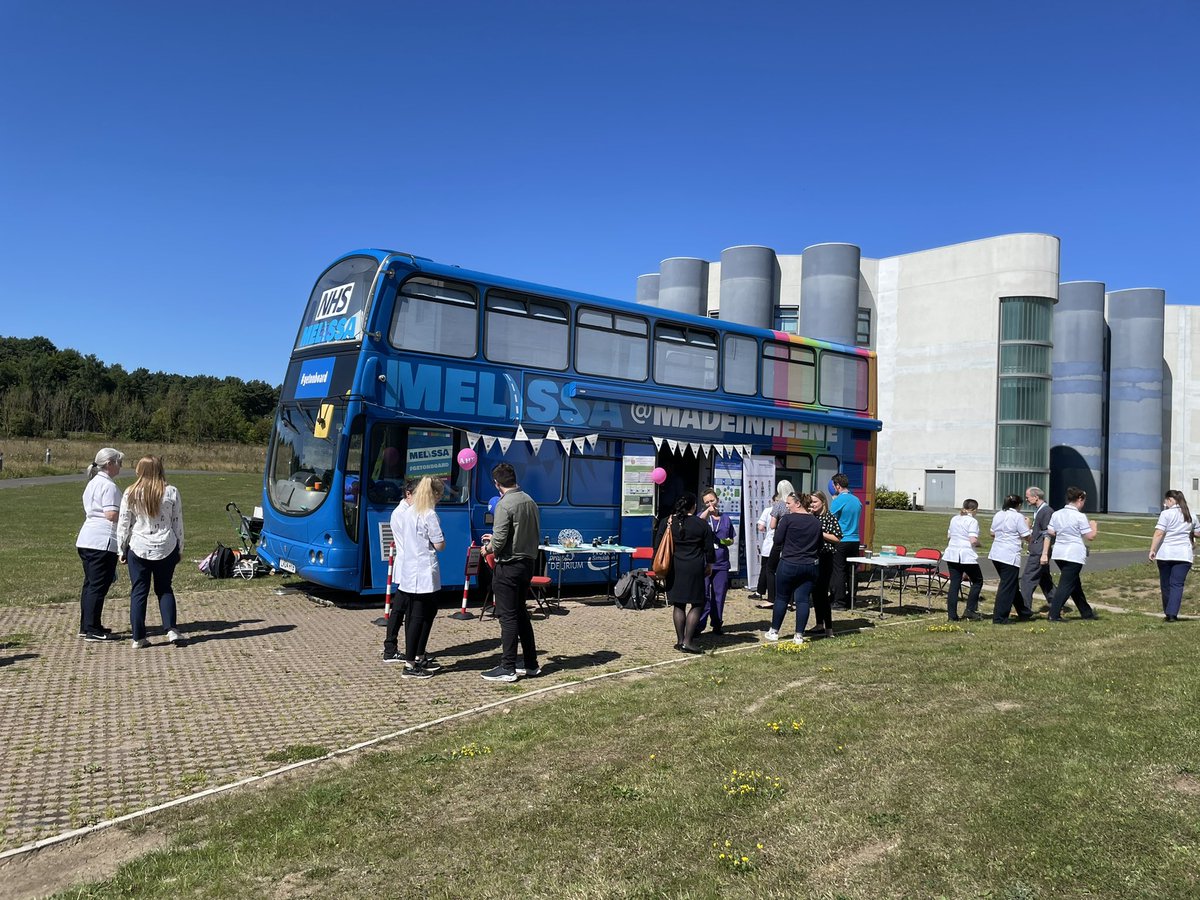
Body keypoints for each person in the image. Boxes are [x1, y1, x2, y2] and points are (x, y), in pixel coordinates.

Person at [480, 463, 541, 682]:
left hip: (509, 566)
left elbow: (498, 542)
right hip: (527, 564)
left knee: (507, 617)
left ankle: (507, 667)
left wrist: (486, 548)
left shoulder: (504, 505)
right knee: (521, 613)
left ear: (497, 484)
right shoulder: (530, 500)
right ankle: (531, 663)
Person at [116, 456, 185, 648]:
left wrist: (121, 548)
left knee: (139, 591)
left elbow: (124, 523)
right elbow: (177, 522)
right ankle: (171, 629)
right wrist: (180, 548)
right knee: (165, 588)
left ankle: (138, 637)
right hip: (166, 545)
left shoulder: (131, 492)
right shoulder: (171, 491)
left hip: (139, 546)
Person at [384, 476, 446, 676]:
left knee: (417, 615)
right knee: (420, 616)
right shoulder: (429, 514)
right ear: (433, 494)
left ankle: (417, 657)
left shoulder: (409, 512)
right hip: (424, 570)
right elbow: (439, 544)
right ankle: (411, 663)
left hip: (411, 569)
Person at [654, 492, 714, 654]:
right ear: (693, 507)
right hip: (694, 568)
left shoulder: (667, 521)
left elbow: (658, 544)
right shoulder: (701, 524)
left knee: (679, 604)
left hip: (674, 567)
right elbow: (709, 549)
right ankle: (688, 641)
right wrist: (709, 564)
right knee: (697, 603)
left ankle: (680, 641)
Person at [75, 447, 124, 641]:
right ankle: (92, 628)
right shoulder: (109, 486)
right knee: (98, 586)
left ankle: (87, 624)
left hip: (87, 538)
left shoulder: (93, 483)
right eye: (119, 463)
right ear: (109, 464)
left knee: (90, 584)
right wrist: (129, 515)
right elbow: (111, 514)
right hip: (101, 541)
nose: (120, 467)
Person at [767, 492, 822, 644]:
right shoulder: (816, 522)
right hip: (809, 565)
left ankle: (774, 631)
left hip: (789, 563)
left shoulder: (788, 519)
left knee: (781, 598)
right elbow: (820, 545)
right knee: (803, 600)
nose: (787, 506)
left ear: (798, 503)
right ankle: (799, 635)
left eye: (789, 503)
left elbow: (778, 540)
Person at [1043, 486, 1099, 622]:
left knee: (1074, 584)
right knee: (1066, 585)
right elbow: (1090, 536)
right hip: (1073, 554)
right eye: (1083, 501)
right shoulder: (1079, 516)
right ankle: (1054, 614)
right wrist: (1093, 525)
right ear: (1079, 499)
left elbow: (1051, 532)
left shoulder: (1057, 514)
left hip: (1059, 553)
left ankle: (1086, 612)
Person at [1149, 489, 1197, 622]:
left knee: (1166, 584)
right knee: (1177, 585)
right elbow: (1197, 532)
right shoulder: (1191, 515)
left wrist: (1152, 549)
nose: (1165, 504)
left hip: (1166, 553)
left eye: (1166, 501)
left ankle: (1168, 612)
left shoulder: (1166, 514)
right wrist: (1190, 534)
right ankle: (1172, 613)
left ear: (1171, 500)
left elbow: (1159, 533)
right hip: (1184, 555)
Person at [697, 488, 736, 635]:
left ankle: (717, 623)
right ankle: (699, 625)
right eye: (707, 502)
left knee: (719, 595)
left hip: (721, 562)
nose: (710, 504)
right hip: (705, 562)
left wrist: (728, 541)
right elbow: (698, 523)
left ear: (717, 500)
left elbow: (731, 538)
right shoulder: (703, 516)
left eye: (712, 501)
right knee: (704, 595)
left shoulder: (726, 518)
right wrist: (708, 512)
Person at [988, 494, 1032, 623]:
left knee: (1011, 583)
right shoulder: (1018, 517)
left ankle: (1023, 611)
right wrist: (1028, 526)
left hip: (996, 552)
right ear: (1019, 505)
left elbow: (992, 532)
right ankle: (1000, 617)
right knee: (1007, 586)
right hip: (1009, 554)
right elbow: (1026, 536)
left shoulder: (998, 514)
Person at [807, 491, 842, 638]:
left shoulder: (829, 517)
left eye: (815, 502)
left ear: (822, 501)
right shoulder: (811, 517)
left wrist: (820, 533)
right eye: (810, 502)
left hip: (825, 557)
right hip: (812, 557)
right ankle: (819, 623)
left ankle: (829, 627)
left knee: (822, 592)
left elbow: (837, 537)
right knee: (815, 592)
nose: (812, 505)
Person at [943, 500, 983, 621]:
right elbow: (973, 540)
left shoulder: (954, 519)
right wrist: (979, 544)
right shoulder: (972, 521)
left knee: (954, 583)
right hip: (966, 554)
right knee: (977, 581)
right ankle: (970, 610)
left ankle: (952, 615)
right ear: (974, 509)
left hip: (952, 553)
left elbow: (949, 536)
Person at [1020, 486, 1057, 613]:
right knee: (1044, 578)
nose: (1026, 499)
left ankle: (1025, 609)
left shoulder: (1046, 511)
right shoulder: (1039, 510)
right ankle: (1056, 603)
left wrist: (1044, 554)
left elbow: (1048, 534)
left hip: (1040, 551)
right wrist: (1029, 527)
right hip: (1038, 548)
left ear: (1036, 497)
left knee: (1027, 579)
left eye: (1028, 497)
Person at [829, 474, 863, 611]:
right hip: (855, 540)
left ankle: (839, 601)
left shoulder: (838, 500)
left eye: (834, 486)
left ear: (837, 486)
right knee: (852, 571)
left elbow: (830, 518)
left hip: (842, 539)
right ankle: (852, 599)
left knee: (839, 571)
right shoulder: (856, 500)